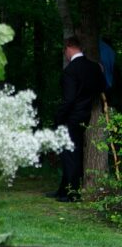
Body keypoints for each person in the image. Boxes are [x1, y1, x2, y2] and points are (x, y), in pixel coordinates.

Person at [52, 36, 106, 201]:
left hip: (71, 117)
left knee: (70, 154)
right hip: (85, 115)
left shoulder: (70, 70)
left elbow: (68, 99)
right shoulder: (94, 68)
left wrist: (58, 118)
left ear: (69, 48)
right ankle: (63, 190)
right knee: (72, 153)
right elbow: (102, 88)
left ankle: (71, 193)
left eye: (65, 52)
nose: (65, 55)